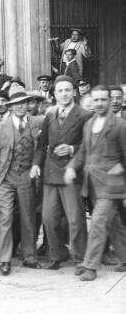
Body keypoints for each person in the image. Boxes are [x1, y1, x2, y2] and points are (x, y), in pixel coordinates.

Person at [30, 75, 92, 270]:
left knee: (75, 219)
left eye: (67, 90)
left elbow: (88, 145)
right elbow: (41, 145)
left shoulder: (84, 115)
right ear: (54, 94)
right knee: (49, 217)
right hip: (50, 173)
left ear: (74, 92)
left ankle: (82, 259)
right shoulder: (50, 114)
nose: (64, 94)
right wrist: (36, 164)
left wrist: (72, 150)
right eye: (60, 91)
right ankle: (58, 254)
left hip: (71, 172)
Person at [65, 85, 126, 281]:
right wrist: (72, 167)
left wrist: (122, 168)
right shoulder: (89, 123)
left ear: (110, 101)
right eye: (96, 100)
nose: (99, 104)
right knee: (114, 223)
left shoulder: (119, 125)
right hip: (92, 183)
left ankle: (90, 266)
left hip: (112, 183)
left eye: (103, 100)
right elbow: (83, 151)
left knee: (99, 222)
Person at [0, 88, 43, 275]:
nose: (20, 107)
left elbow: (41, 148)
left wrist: (35, 165)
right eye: (16, 104)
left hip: (27, 176)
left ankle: (29, 257)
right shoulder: (1, 127)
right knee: (5, 217)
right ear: (10, 107)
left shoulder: (37, 122)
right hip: (5, 178)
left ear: (28, 105)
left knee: (28, 217)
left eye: (23, 103)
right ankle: (4, 260)